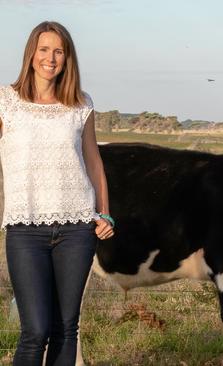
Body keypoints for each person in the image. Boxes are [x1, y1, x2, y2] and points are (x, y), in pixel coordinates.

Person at [0, 21, 115, 366]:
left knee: (66, 328)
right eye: (44, 49)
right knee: (34, 331)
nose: (51, 58)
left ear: (68, 59)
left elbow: (93, 161)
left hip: (77, 229)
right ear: (31, 54)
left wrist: (104, 213)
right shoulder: (6, 101)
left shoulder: (81, 104)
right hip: (25, 229)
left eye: (59, 51)